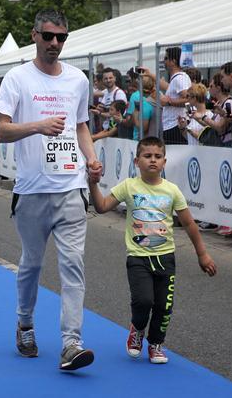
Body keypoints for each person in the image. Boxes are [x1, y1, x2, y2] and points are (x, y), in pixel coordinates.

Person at [0, 9, 103, 372]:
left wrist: (91, 159)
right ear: (35, 36)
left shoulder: (77, 79)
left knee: (73, 266)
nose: (55, 43)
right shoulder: (17, 78)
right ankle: (25, 324)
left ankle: (72, 343)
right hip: (32, 190)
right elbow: (0, 130)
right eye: (49, 36)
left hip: (71, 187)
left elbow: (81, 126)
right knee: (32, 263)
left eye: (61, 37)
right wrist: (38, 126)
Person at [89, 136, 216, 364]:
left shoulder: (172, 190)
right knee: (143, 301)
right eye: (147, 156)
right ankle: (137, 329)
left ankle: (156, 343)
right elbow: (102, 206)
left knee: (164, 306)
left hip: (165, 258)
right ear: (137, 161)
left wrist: (202, 254)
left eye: (158, 156)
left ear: (164, 162)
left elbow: (189, 223)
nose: (153, 160)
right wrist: (93, 183)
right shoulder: (129, 186)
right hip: (138, 257)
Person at [157, 47, 191, 145]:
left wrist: (169, 102)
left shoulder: (179, 78)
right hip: (172, 126)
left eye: (166, 58)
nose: (164, 61)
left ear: (173, 61)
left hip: (175, 126)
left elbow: (189, 100)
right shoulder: (177, 78)